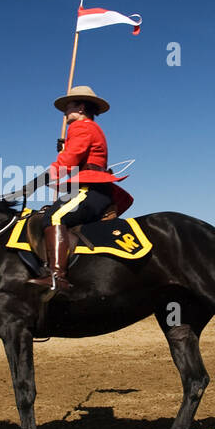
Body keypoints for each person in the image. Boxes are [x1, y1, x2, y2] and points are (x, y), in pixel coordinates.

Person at [21, 85, 131, 294]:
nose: (64, 112)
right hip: (93, 187)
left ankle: (57, 277)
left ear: (81, 107)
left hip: (91, 189)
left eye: (69, 106)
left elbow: (67, 162)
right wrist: (67, 147)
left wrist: (32, 185)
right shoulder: (88, 129)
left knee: (54, 217)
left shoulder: (81, 127)